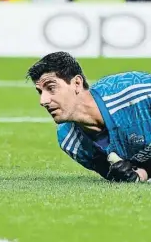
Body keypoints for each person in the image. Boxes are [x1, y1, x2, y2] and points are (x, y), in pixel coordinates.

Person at [26, 51, 151, 183]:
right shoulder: (70, 140)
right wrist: (140, 174)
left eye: (51, 88)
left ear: (77, 83)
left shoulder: (139, 93)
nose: (43, 101)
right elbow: (129, 174)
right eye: (40, 92)